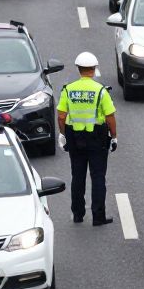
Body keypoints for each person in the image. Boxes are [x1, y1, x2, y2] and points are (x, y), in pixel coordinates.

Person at [57, 52, 118, 226]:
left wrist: (63, 134)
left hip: (74, 137)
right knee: (98, 177)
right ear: (94, 69)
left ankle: (77, 214)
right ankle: (98, 216)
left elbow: (61, 116)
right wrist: (114, 137)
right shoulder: (100, 91)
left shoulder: (68, 90)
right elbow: (110, 117)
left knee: (77, 176)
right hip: (97, 137)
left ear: (78, 69)